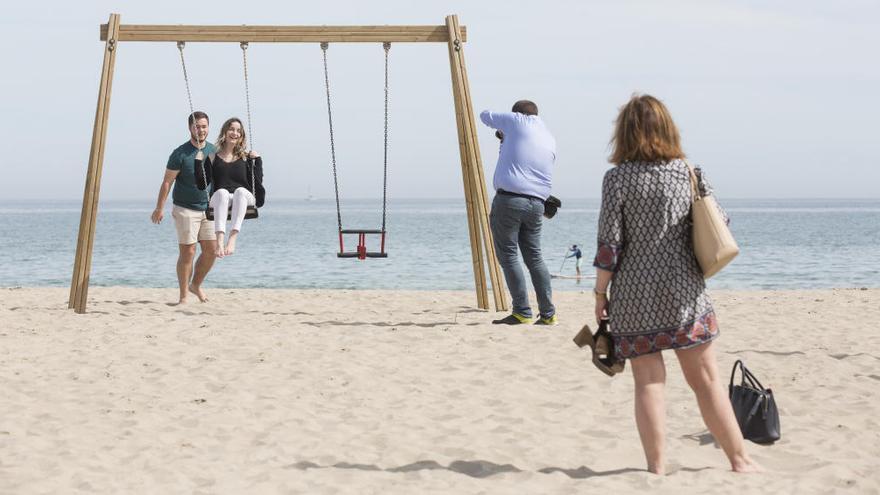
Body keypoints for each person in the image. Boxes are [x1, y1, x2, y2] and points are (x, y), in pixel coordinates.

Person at [593, 94, 760, 474]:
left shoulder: (616, 179)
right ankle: (739, 460)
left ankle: (656, 468)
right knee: (706, 380)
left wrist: (600, 293)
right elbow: (720, 223)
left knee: (649, 382)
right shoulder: (689, 172)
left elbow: (610, 244)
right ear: (667, 128)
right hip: (684, 290)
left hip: (634, 294)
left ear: (625, 134)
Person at [480, 100, 557, 325]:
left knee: (509, 255)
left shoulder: (518, 121)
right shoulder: (548, 136)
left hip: (511, 199)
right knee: (534, 257)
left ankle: (522, 310)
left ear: (518, 114)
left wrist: (504, 127)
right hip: (537, 203)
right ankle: (548, 313)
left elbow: (485, 115)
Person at [151, 111, 217, 305]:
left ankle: (195, 285)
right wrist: (159, 208)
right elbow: (166, 182)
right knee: (188, 251)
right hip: (185, 208)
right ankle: (183, 296)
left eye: (204, 126)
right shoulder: (180, 153)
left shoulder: (214, 151)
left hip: (208, 209)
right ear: (190, 128)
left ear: (208, 127)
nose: (201, 130)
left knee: (211, 251)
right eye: (197, 126)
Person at [194, 117, 265, 258]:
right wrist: (198, 162)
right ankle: (220, 241)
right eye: (231, 129)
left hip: (244, 197)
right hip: (221, 199)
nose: (235, 133)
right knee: (222, 192)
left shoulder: (246, 158)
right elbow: (202, 185)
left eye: (239, 131)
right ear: (225, 132)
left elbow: (257, 183)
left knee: (240, 191)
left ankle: (232, 238)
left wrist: (258, 161)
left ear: (242, 135)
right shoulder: (213, 157)